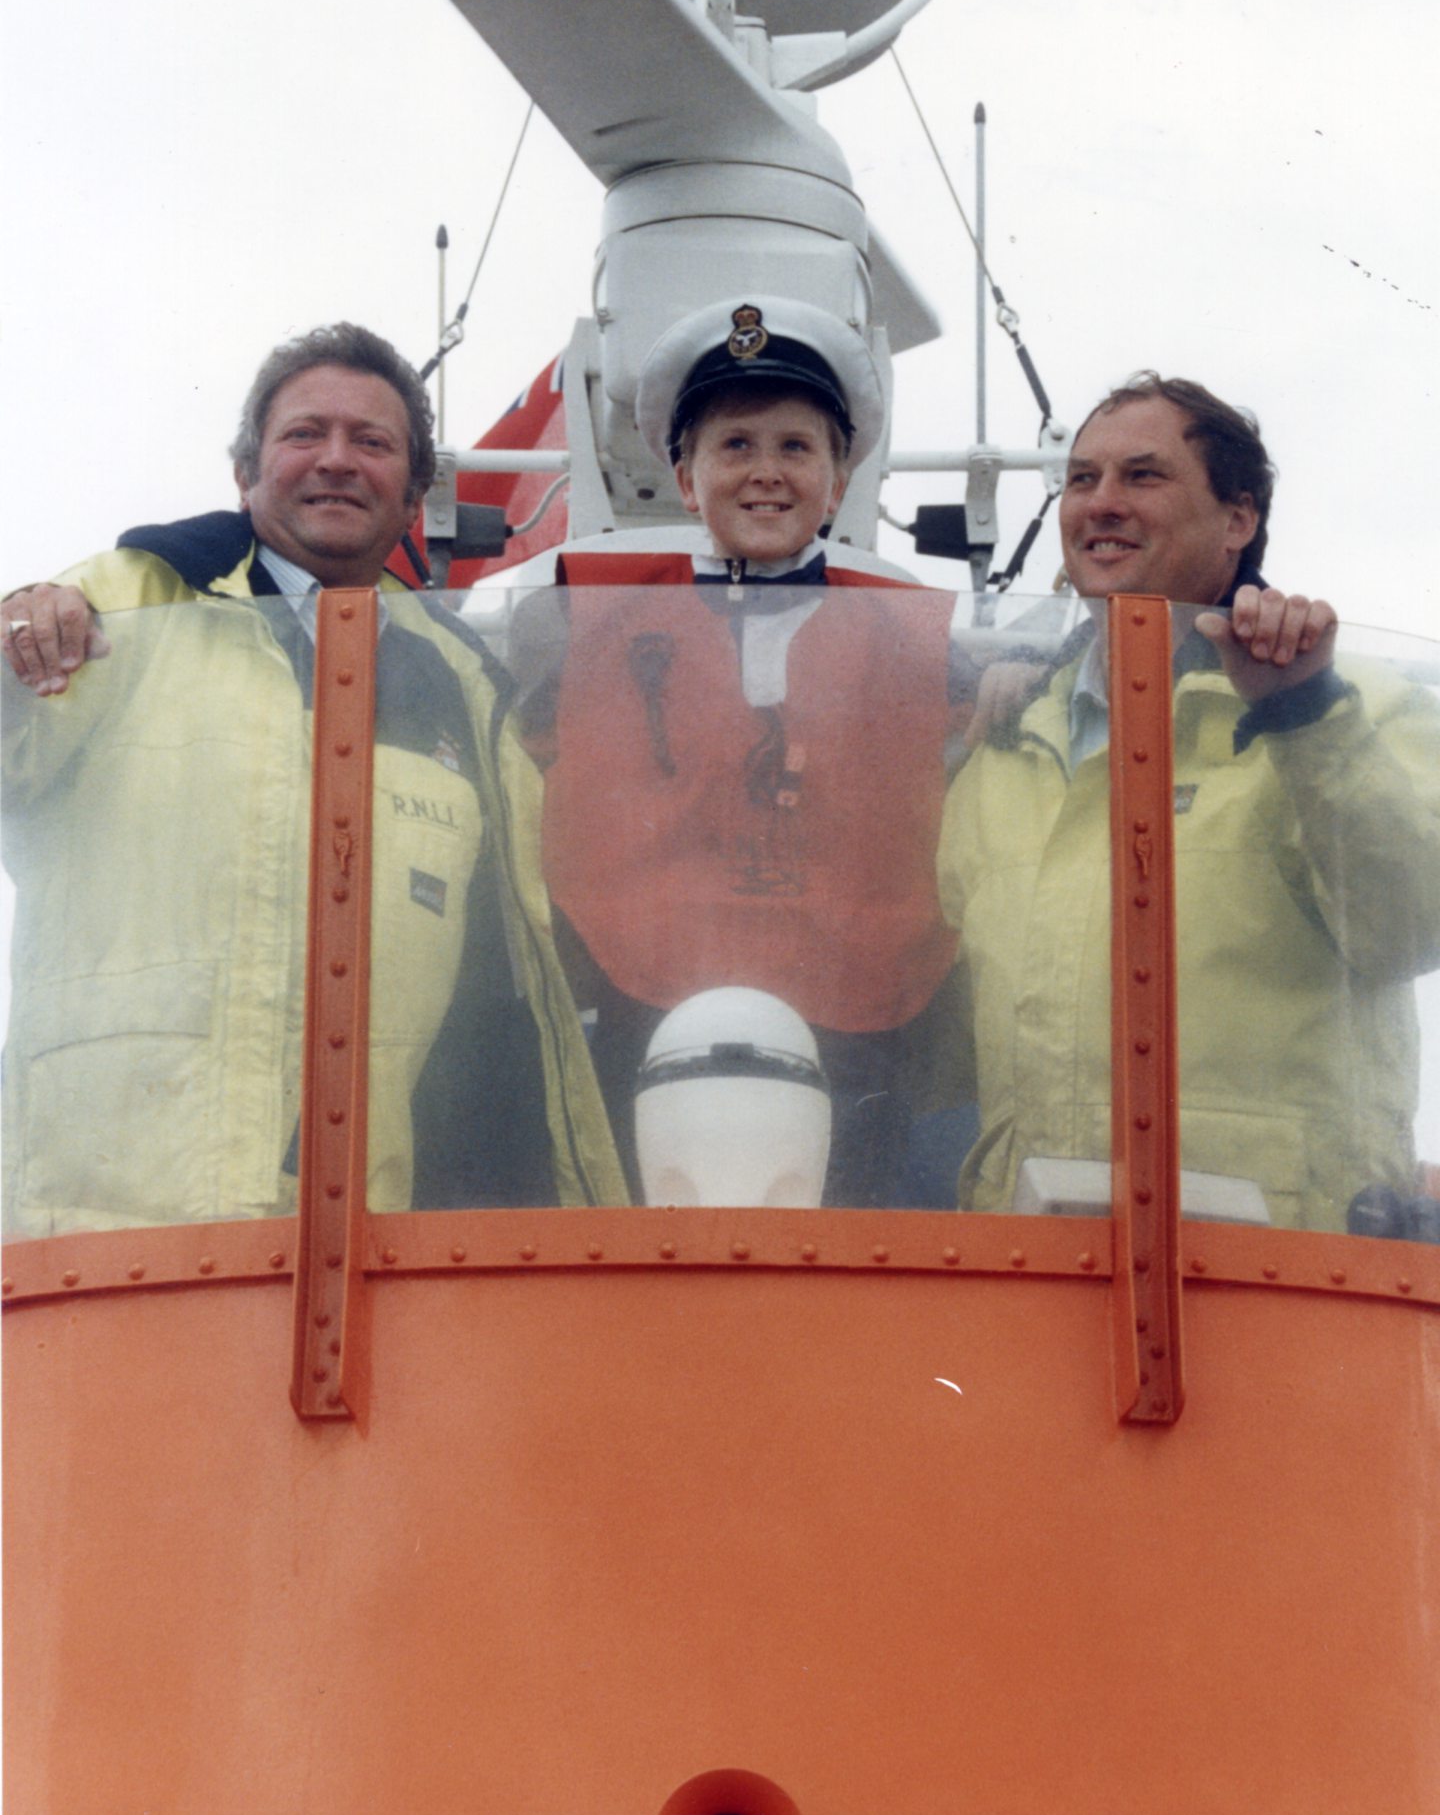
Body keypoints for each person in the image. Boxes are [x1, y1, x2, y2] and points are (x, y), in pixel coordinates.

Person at [1, 323, 624, 1236]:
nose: (337, 461)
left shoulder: (462, 683)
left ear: (414, 493)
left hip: (377, 1235)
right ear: (246, 472)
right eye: (305, 435)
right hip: (118, 1228)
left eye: (372, 443)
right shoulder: (126, 602)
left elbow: (518, 973)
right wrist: (14, 640)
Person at [939, 371, 1440, 1231]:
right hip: (1033, 1265)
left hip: (1281, 1265)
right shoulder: (1006, 748)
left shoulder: (1356, 704)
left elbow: (1415, 924)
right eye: (1082, 478)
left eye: (1143, 476)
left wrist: (1301, 714)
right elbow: (948, 1031)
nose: (1101, 503)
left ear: (1239, 520)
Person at [508, 298, 972, 1205]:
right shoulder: (572, 628)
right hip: (635, 1010)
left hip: (859, 1030)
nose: (767, 473)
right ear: (686, 480)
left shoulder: (933, 647)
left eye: (797, 448)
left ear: (839, 481)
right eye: (735, 446)